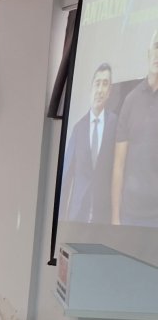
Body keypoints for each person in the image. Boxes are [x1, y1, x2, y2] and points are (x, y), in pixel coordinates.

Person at [61, 63, 117, 224]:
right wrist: (61, 218)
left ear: (109, 91)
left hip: (103, 216)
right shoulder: (78, 129)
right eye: (97, 83)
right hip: (78, 215)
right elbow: (66, 177)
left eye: (105, 84)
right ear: (91, 89)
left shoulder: (115, 124)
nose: (100, 89)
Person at [112, 30, 158, 227]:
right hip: (130, 214)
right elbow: (119, 164)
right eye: (156, 47)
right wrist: (115, 218)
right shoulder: (131, 100)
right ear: (148, 53)